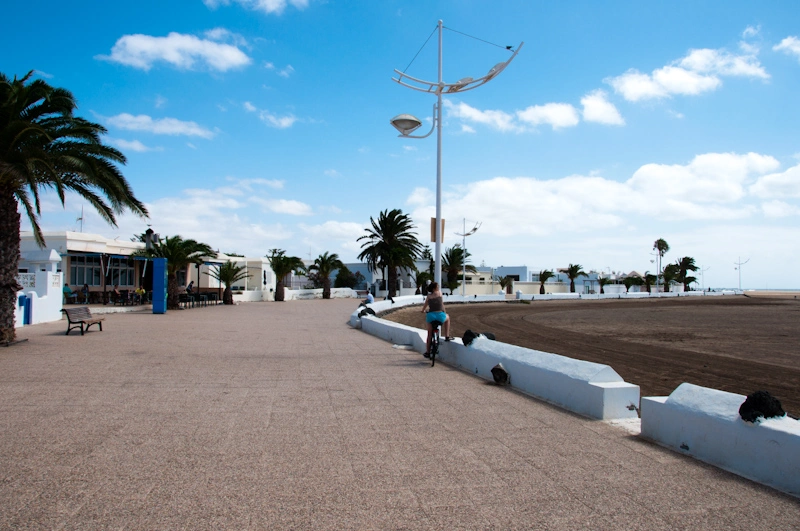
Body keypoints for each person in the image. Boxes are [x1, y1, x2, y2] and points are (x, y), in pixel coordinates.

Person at [421, 282, 451, 358]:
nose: (438, 288)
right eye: (437, 287)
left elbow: (424, 307)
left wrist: (423, 311)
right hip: (440, 316)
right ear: (435, 288)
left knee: (429, 334)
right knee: (448, 318)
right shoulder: (439, 293)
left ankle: (427, 352)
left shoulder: (428, 296)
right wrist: (444, 312)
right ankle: (447, 336)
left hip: (431, 316)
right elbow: (442, 304)